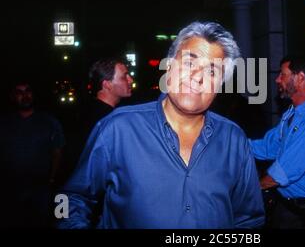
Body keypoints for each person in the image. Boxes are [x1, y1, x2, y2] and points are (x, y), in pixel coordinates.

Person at [57, 21, 265, 229]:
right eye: (189, 63)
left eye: (212, 72)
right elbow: (69, 198)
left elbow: (250, 220)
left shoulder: (233, 139)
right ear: (170, 66)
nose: (197, 77)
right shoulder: (118, 129)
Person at [249, 56, 305, 228]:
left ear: (300, 78)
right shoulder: (292, 113)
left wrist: (248, 189)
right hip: (288, 206)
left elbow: (283, 172)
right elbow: (270, 147)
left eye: (282, 75)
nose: (277, 79)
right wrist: (232, 144)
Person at [0, 81, 65, 227]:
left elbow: (58, 151)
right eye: (19, 92)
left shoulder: (49, 121)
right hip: (9, 189)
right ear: (12, 97)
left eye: (28, 91)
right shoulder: (4, 123)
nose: (25, 96)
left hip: (40, 189)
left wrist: (52, 179)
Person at [86, 57, 134, 131]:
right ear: (107, 84)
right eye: (124, 77)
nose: (131, 80)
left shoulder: (91, 112)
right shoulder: (108, 119)